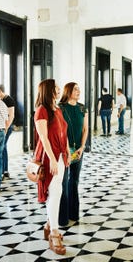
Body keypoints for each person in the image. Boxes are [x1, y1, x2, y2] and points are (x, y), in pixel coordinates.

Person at [34, 79, 68, 255]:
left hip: (61, 156)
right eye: (55, 88)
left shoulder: (57, 109)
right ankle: (53, 232)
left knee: (57, 190)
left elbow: (63, 131)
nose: (59, 90)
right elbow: (43, 138)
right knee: (54, 192)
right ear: (48, 91)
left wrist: (66, 151)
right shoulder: (42, 110)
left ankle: (48, 224)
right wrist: (53, 160)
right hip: (50, 158)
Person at [58, 82, 88, 226]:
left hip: (78, 150)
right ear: (68, 91)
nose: (78, 91)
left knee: (74, 181)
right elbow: (61, 131)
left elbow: (85, 129)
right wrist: (67, 148)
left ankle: (74, 213)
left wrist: (82, 147)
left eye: (78, 88)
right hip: (65, 150)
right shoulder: (61, 108)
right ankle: (62, 218)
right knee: (63, 182)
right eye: (75, 89)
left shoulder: (82, 108)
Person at [0, 84, 15, 179]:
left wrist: (6, 128)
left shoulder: (9, 100)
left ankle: (3, 170)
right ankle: (4, 170)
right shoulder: (0, 100)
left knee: (2, 146)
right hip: (1, 126)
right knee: (3, 147)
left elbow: (11, 116)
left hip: (7, 127)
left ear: (0, 91)